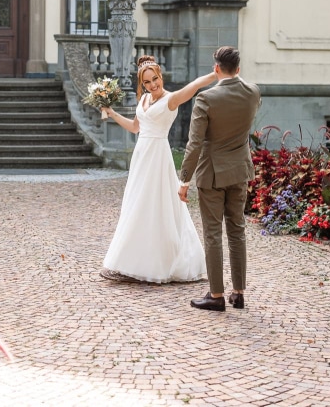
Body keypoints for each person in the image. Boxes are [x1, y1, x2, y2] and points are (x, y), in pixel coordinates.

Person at [100, 55, 217, 283]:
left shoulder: (170, 99)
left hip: (158, 156)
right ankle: (130, 260)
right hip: (141, 156)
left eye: (155, 79)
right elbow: (135, 127)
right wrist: (113, 113)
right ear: (142, 84)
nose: (153, 85)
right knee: (136, 204)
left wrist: (214, 75)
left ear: (160, 76)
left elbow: (192, 87)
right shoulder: (143, 99)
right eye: (147, 82)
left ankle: (160, 263)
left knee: (157, 206)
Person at [179, 45, 261, 312]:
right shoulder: (253, 92)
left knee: (213, 233)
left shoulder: (206, 99)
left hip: (212, 173)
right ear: (238, 68)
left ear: (216, 69)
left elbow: (195, 143)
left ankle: (216, 295)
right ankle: (238, 293)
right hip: (239, 171)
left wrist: (184, 179)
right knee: (237, 231)